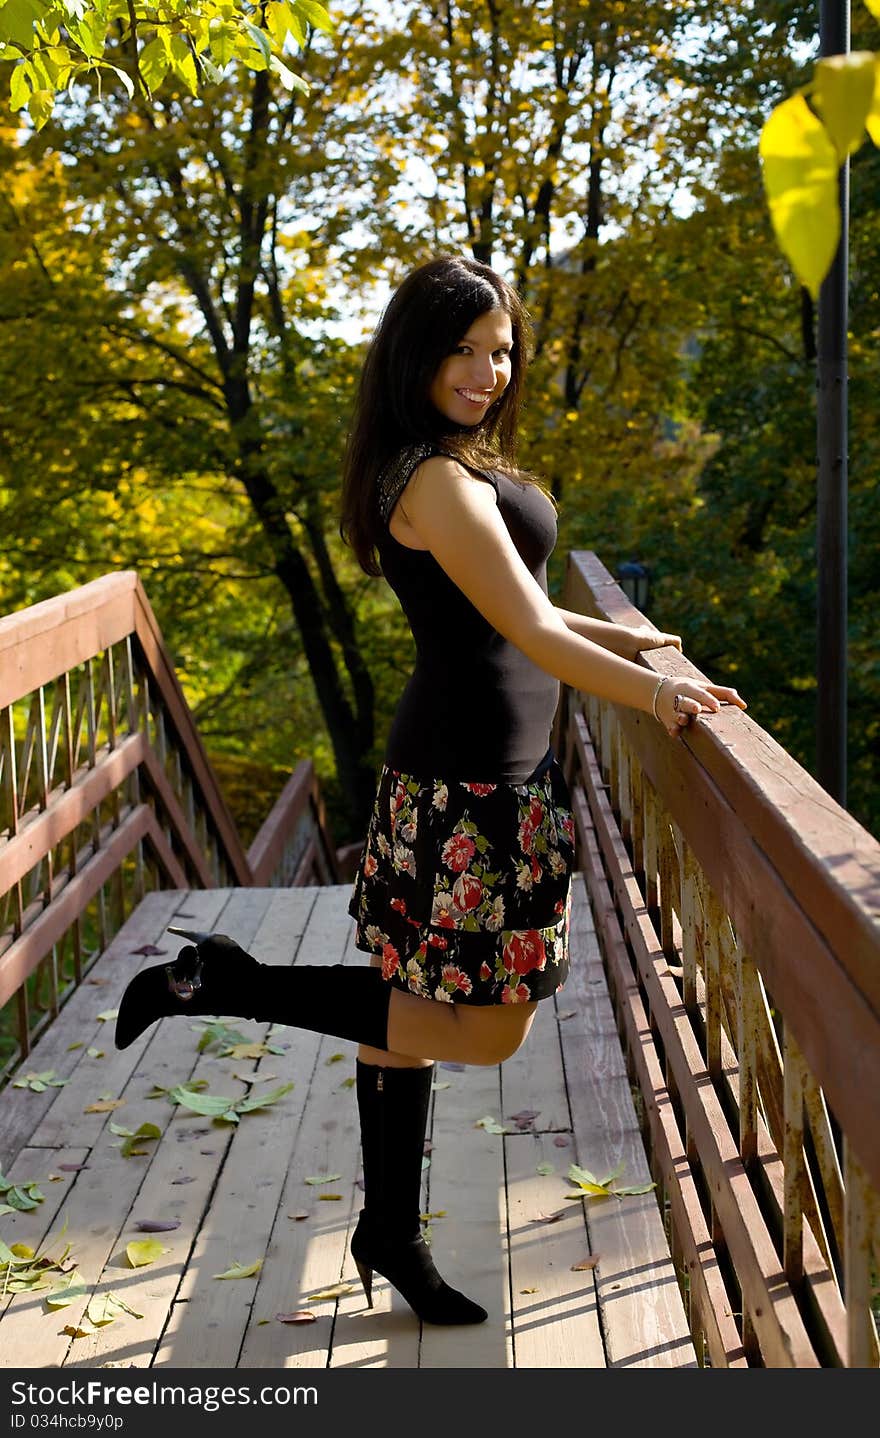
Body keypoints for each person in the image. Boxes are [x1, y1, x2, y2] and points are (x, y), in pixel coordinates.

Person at [114, 254, 746, 1329]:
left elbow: (530, 605)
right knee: (489, 1030)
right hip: (468, 791)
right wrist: (652, 696)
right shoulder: (433, 480)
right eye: (462, 348)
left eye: (500, 350)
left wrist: (640, 642)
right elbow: (531, 631)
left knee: (403, 1016)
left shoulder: (453, 464)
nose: (487, 369)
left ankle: (388, 1229)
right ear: (415, 352)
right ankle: (222, 982)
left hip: (486, 776)